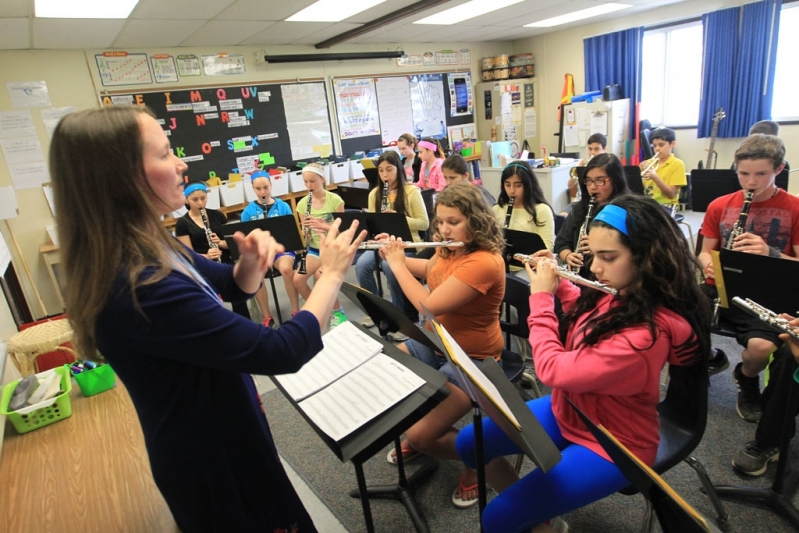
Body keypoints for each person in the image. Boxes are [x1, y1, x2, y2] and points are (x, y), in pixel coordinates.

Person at [49, 105, 365, 533]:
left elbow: (232, 285)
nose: (181, 164)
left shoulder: (153, 243)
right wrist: (332, 274)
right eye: (163, 155)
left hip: (225, 432)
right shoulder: (138, 284)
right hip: (212, 462)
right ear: (120, 178)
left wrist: (249, 263)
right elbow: (282, 350)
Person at [456, 194, 710, 533]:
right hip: (572, 408)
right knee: (469, 443)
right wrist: (561, 288)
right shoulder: (622, 287)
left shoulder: (646, 335)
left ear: (646, 257)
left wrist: (542, 299)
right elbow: (590, 319)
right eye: (595, 255)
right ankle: (536, 516)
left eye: (608, 257)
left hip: (615, 440)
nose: (594, 268)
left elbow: (551, 370)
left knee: (497, 518)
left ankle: (524, 515)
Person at [380, 182, 506, 509]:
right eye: (441, 221)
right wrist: (397, 253)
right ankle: (435, 433)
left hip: (473, 357)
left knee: (421, 434)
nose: (444, 228)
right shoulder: (451, 247)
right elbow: (428, 269)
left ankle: (476, 458)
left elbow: (429, 305)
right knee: (387, 375)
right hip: (436, 340)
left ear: (476, 221)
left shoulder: (484, 261)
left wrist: (395, 265)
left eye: (453, 221)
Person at [698, 134, 799, 422]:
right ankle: (702, 364)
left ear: (779, 170)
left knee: (761, 348)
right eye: (743, 173)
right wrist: (708, 266)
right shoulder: (720, 205)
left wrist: (770, 252)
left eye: (761, 174)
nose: (750, 182)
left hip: (768, 292)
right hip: (720, 287)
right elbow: (705, 253)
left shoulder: (794, 207)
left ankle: (747, 375)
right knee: (677, 318)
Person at [175, 181, 271, 325]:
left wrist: (220, 243)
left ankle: (244, 324)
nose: (200, 203)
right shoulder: (182, 223)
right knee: (209, 299)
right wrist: (207, 256)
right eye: (195, 200)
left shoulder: (218, 216)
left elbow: (230, 244)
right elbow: (188, 255)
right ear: (186, 200)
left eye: (203, 198)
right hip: (201, 264)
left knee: (237, 288)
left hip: (224, 259)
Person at [355, 151, 429, 334]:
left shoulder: (412, 192)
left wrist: (399, 219)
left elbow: (424, 223)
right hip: (383, 243)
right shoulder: (375, 194)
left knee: (390, 267)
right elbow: (372, 223)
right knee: (361, 265)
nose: (385, 175)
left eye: (389, 169)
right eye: (381, 171)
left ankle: (401, 315)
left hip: (408, 243)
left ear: (399, 168)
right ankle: (377, 310)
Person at [293, 162, 349, 329]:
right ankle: (316, 309)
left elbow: (343, 230)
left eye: (312, 181)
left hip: (333, 248)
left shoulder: (335, 200)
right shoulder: (303, 204)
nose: (309, 186)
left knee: (320, 277)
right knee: (298, 279)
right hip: (315, 249)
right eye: (306, 182)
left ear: (322, 179)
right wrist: (306, 232)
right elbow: (306, 235)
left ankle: (338, 311)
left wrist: (323, 226)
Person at [555, 153, 631, 274]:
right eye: (589, 181)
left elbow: (632, 251)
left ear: (616, 180)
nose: (593, 187)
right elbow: (561, 243)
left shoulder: (627, 211)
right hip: (580, 276)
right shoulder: (579, 209)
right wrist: (568, 256)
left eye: (600, 181)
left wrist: (598, 246)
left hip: (610, 276)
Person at [240, 170, 301, 318]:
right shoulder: (248, 212)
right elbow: (247, 239)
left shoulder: (283, 206)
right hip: (260, 252)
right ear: (253, 189)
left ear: (271, 185)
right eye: (258, 188)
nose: (263, 191)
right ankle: (267, 316)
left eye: (266, 187)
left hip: (281, 248)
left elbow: (290, 232)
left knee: (286, 269)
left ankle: (296, 310)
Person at [493, 161, 556, 252]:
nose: (512, 191)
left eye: (518, 185)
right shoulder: (497, 209)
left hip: (531, 264)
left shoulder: (542, 210)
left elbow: (547, 249)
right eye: (507, 185)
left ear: (528, 185)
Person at [641, 127, 686, 208]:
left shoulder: (677, 164)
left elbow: (671, 194)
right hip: (648, 204)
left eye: (661, 145)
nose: (657, 148)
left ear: (672, 144)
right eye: (654, 146)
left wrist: (655, 177)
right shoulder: (649, 163)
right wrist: (638, 173)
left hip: (668, 205)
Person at [566, 132, 606, 203]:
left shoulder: (606, 166)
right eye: (590, 149)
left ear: (604, 149)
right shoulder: (584, 164)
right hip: (579, 200)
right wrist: (579, 170)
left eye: (596, 149)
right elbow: (569, 185)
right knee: (561, 214)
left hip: (597, 201)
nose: (592, 152)